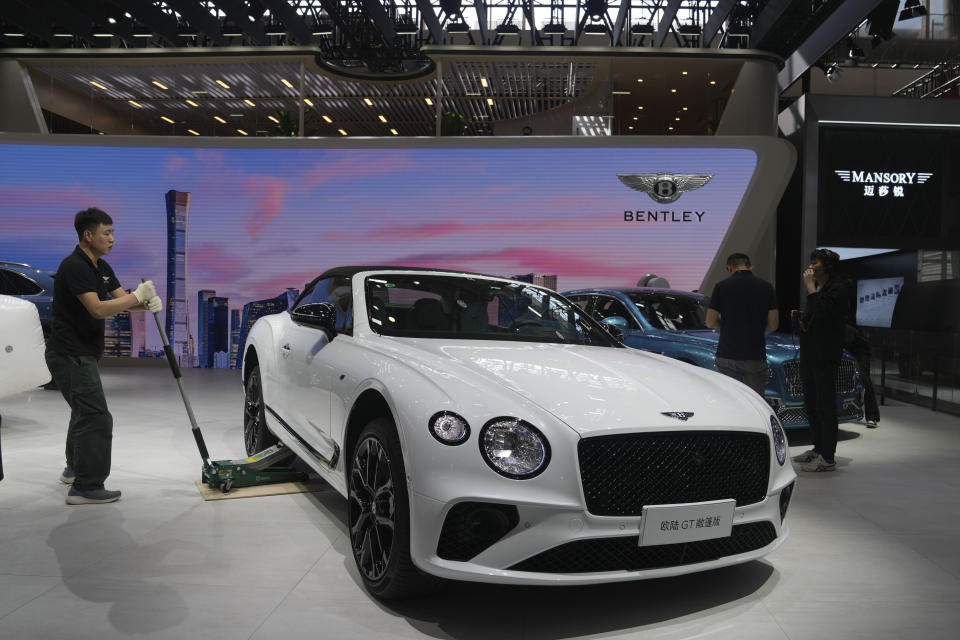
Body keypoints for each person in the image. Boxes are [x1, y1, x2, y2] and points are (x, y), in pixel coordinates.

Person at [45, 208, 162, 504]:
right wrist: (136, 297)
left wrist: (144, 303)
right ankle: (86, 486)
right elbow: (97, 309)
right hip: (69, 354)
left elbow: (120, 300)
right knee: (97, 417)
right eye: (106, 233)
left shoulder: (102, 267)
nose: (112, 239)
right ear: (88, 235)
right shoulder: (75, 267)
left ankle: (74, 469)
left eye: (112, 233)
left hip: (82, 353)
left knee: (83, 412)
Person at [791, 248, 847, 472]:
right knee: (812, 403)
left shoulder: (838, 289)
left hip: (825, 355)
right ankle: (817, 447)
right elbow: (815, 317)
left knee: (825, 406)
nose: (812, 266)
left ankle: (828, 457)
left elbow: (825, 316)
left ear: (827, 267)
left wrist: (810, 289)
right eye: (812, 262)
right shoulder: (820, 288)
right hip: (810, 353)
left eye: (817, 263)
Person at [706, 253, 778, 397]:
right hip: (755, 354)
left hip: (727, 354)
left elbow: (710, 321)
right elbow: (773, 325)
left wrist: (726, 326)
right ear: (751, 267)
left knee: (728, 399)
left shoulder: (721, 287)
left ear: (729, 268)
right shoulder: (766, 287)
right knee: (755, 400)